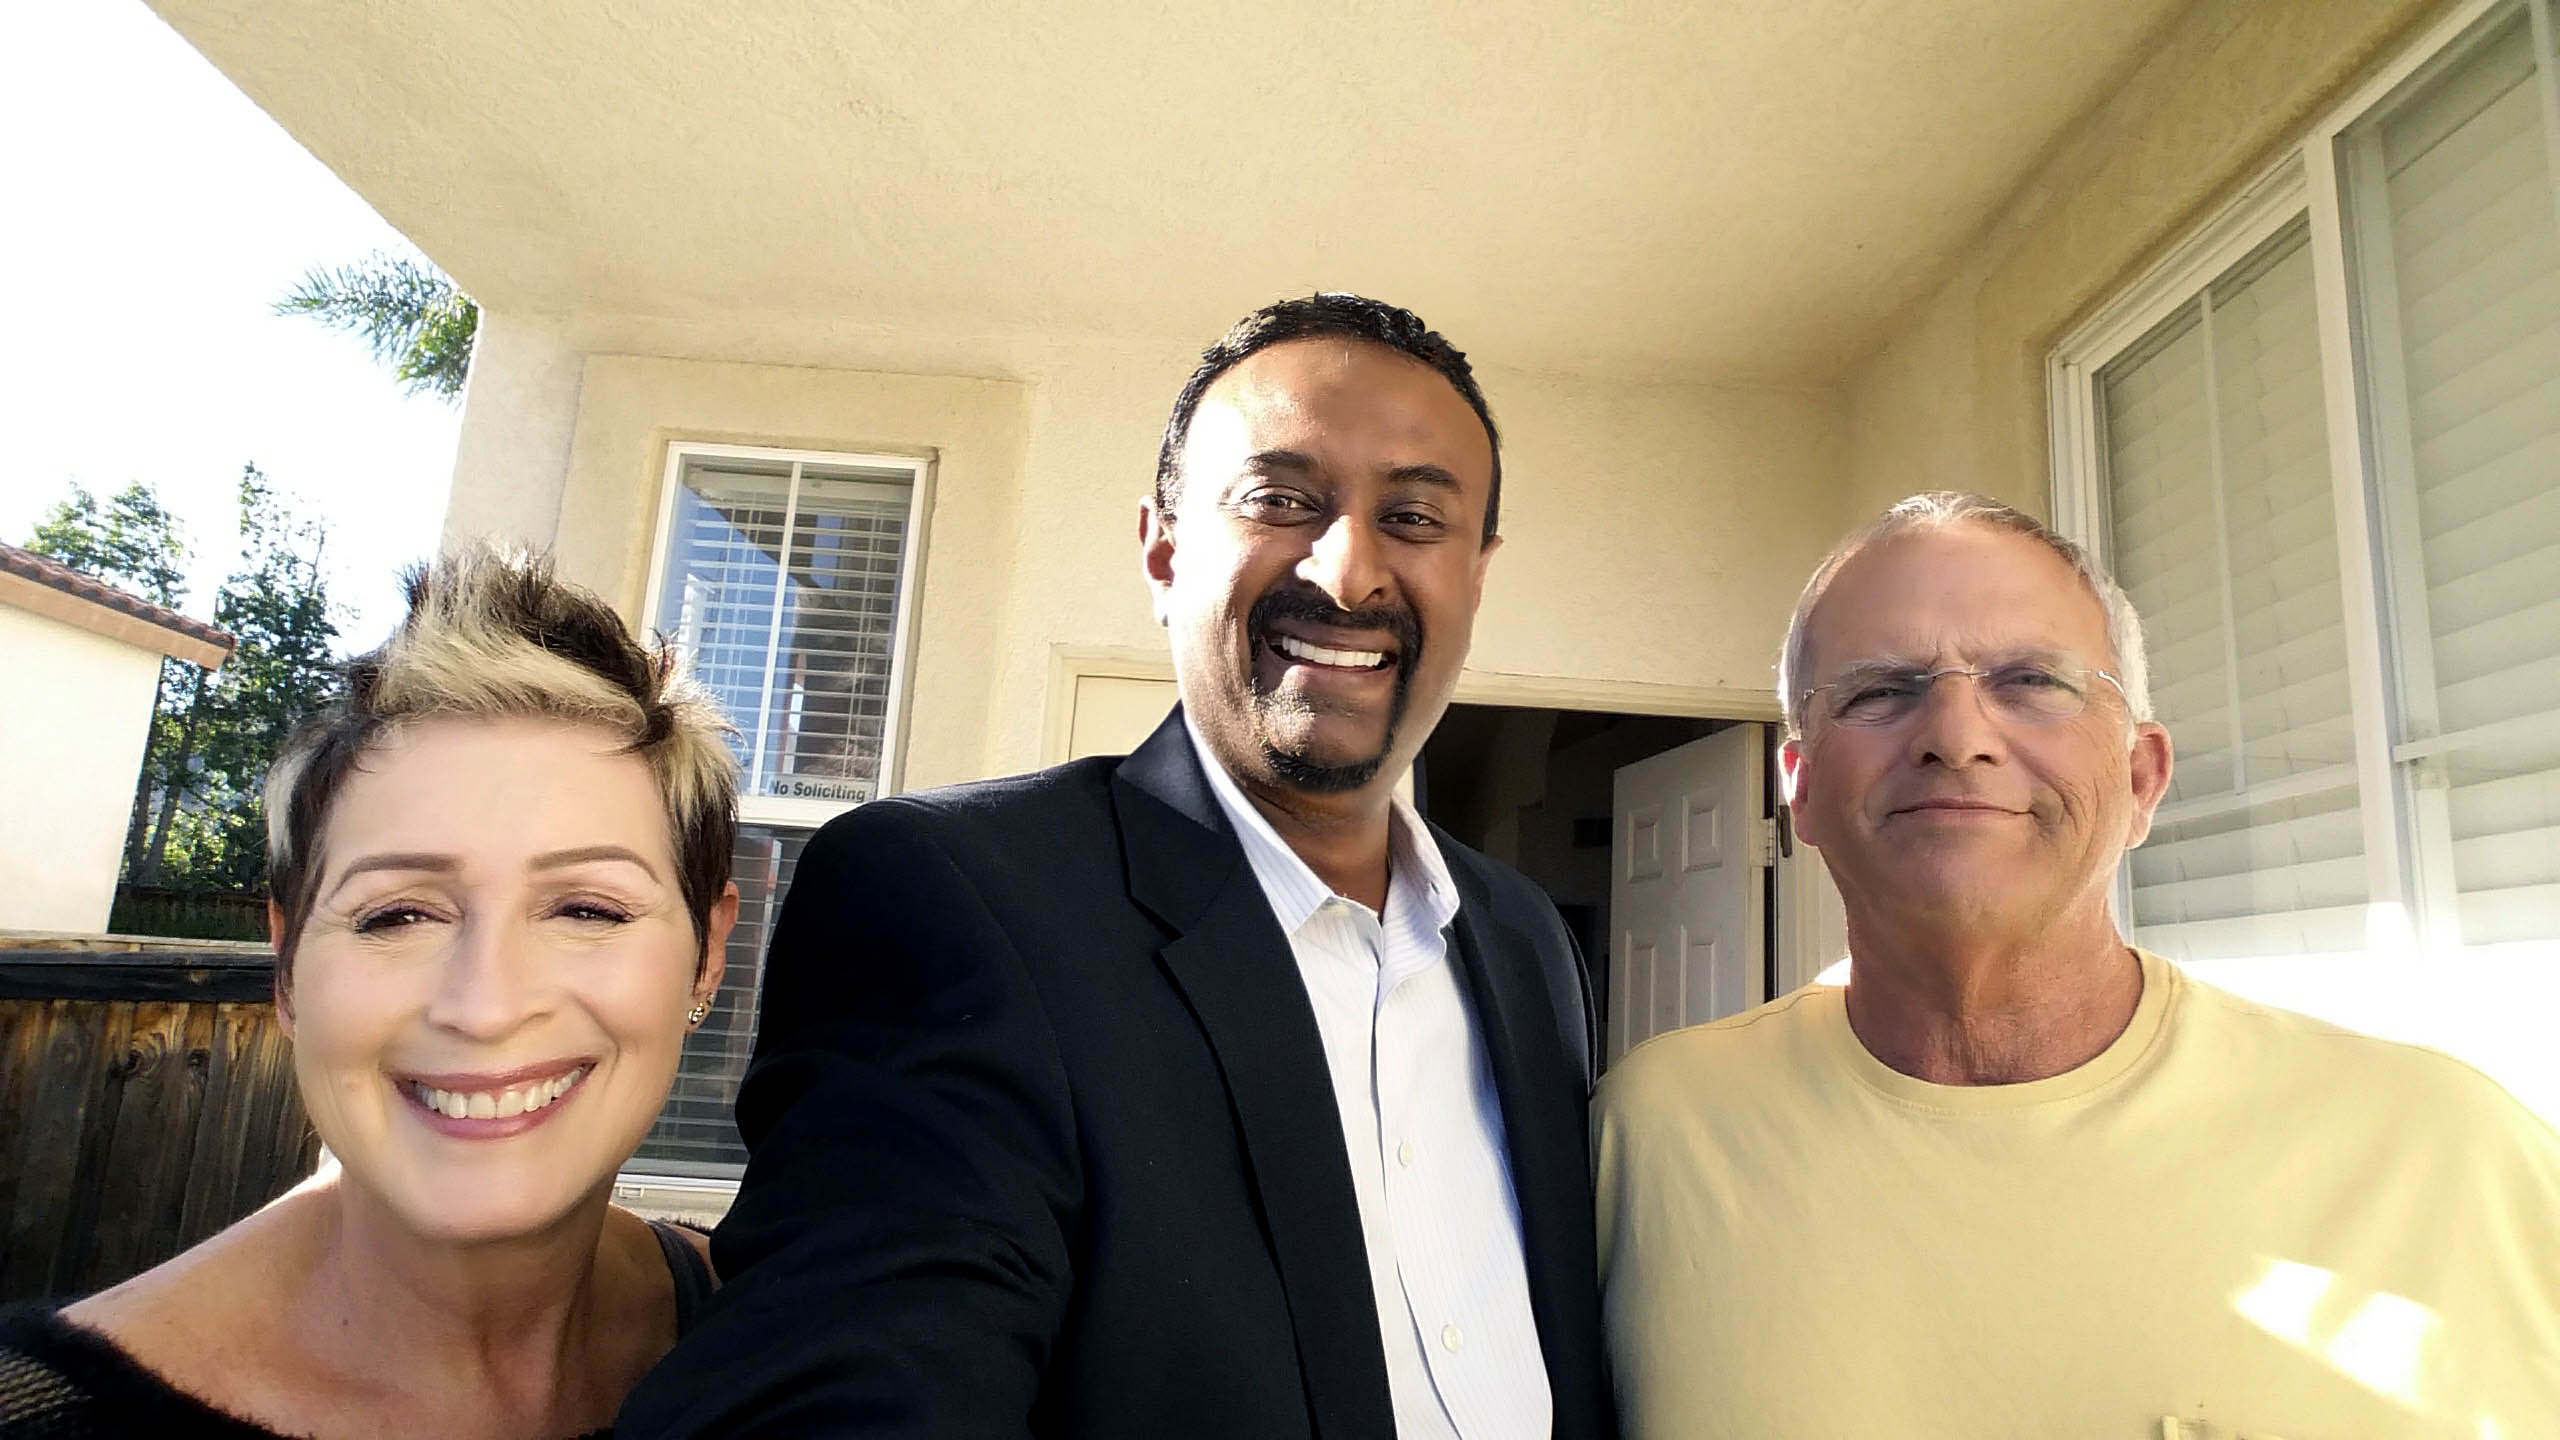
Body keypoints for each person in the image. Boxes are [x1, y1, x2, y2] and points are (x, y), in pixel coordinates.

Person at [619, 294, 1613, 1439]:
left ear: (1476, 575)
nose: (1348, 572)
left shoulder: (1525, 943)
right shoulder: (952, 902)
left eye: (1415, 517)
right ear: (1163, 550)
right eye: (1281, 500)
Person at [1593, 491, 2560, 1437]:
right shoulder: (1653, 1134)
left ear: (2142, 777)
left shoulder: (2450, 1151)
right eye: (1880, 691)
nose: (1956, 738)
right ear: (1800, 790)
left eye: (2032, 682)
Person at [0, 549, 740, 1439]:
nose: (485, 1006)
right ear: (287, 968)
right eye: (398, 916)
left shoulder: (784, 1341)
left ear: (707, 954)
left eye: (587, 908)